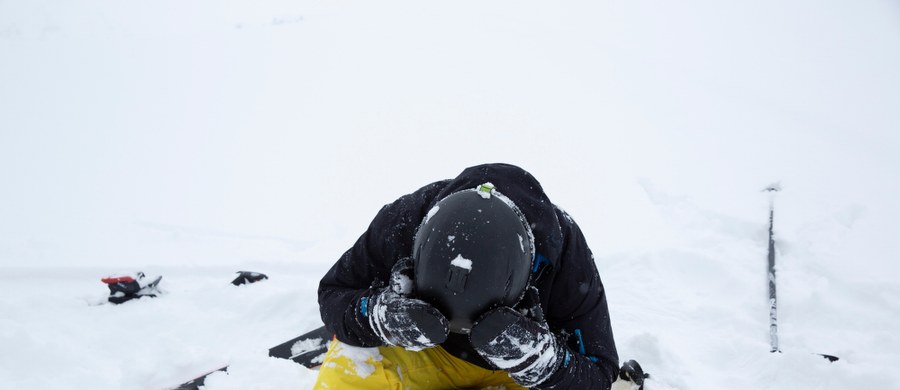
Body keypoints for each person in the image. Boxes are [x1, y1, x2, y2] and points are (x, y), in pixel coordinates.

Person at [314, 163, 641, 389]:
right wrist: (379, 318)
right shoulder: (403, 222)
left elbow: (599, 373)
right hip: (428, 352)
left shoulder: (566, 256)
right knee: (349, 361)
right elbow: (333, 292)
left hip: (516, 375)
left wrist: (537, 357)